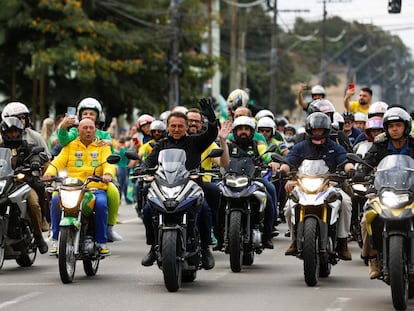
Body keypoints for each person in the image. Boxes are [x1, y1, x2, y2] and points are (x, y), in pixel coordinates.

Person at [139, 99, 219, 270]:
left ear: (186, 127)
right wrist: (143, 169)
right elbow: (149, 161)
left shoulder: (195, 142)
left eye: (180, 126)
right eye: (173, 126)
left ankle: (205, 249)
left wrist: (211, 118)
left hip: (191, 186)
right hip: (165, 186)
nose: (176, 129)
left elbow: (211, 134)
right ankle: (153, 247)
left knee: (204, 208)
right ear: (168, 127)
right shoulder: (161, 144)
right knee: (147, 209)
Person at [280, 112, 354, 260]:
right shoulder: (300, 147)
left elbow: (345, 161)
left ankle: (343, 241)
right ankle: (294, 240)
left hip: (330, 186)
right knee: (288, 207)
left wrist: (350, 169)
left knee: (346, 202)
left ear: (326, 131)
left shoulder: (334, 147)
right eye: (315, 130)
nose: (318, 133)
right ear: (309, 130)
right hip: (303, 186)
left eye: (320, 130)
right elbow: (289, 161)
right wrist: (283, 170)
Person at [44, 118, 116, 255]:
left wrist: (107, 174)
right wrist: (49, 173)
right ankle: (55, 239)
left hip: (95, 187)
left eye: (91, 128)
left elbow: (109, 163)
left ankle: (101, 242)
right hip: (72, 187)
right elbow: (57, 162)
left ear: (95, 130)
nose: (88, 131)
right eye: (84, 128)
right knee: (54, 201)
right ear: (78, 131)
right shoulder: (70, 146)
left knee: (101, 204)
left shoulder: (103, 146)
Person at [359, 107, 414, 279]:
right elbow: (367, 163)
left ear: (406, 127)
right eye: (391, 126)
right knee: (366, 218)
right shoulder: (380, 144)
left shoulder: (413, 143)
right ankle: (373, 258)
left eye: (398, 125)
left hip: (410, 191)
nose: (395, 129)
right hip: (384, 191)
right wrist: (360, 173)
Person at [56, 97, 122, 242]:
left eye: (91, 114)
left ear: (97, 117)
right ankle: (55, 235)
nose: (88, 118)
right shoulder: (75, 133)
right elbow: (63, 141)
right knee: (55, 198)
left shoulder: (103, 136)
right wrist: (62, 127)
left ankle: (108, 229)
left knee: (112, 193)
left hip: (99, 177)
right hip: (74, 181)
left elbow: (110, 154)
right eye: (85, 114)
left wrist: (108, 174)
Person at [224, 116, 279, 249]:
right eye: (240, 129)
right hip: (230, 179)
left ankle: (267, 235)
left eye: (246, 129)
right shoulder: (229, 145)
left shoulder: (258, 144)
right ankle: (220, 235)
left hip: (254, 179)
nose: (243, 132)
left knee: (270, 194)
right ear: (235, 131)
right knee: (218, 199)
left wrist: (272, 161)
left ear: (252, 132)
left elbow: (266, 155)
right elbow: (221, 158)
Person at [0, 117, 49, 254]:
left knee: (33, 203)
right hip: (6, 183)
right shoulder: (1, 148)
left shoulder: (28, 147)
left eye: (15, 132)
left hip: (24, 183)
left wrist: (35, 162)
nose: (13, 135)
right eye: (10, 132)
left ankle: (39, 237)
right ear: (4, 132)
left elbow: (36, 155)